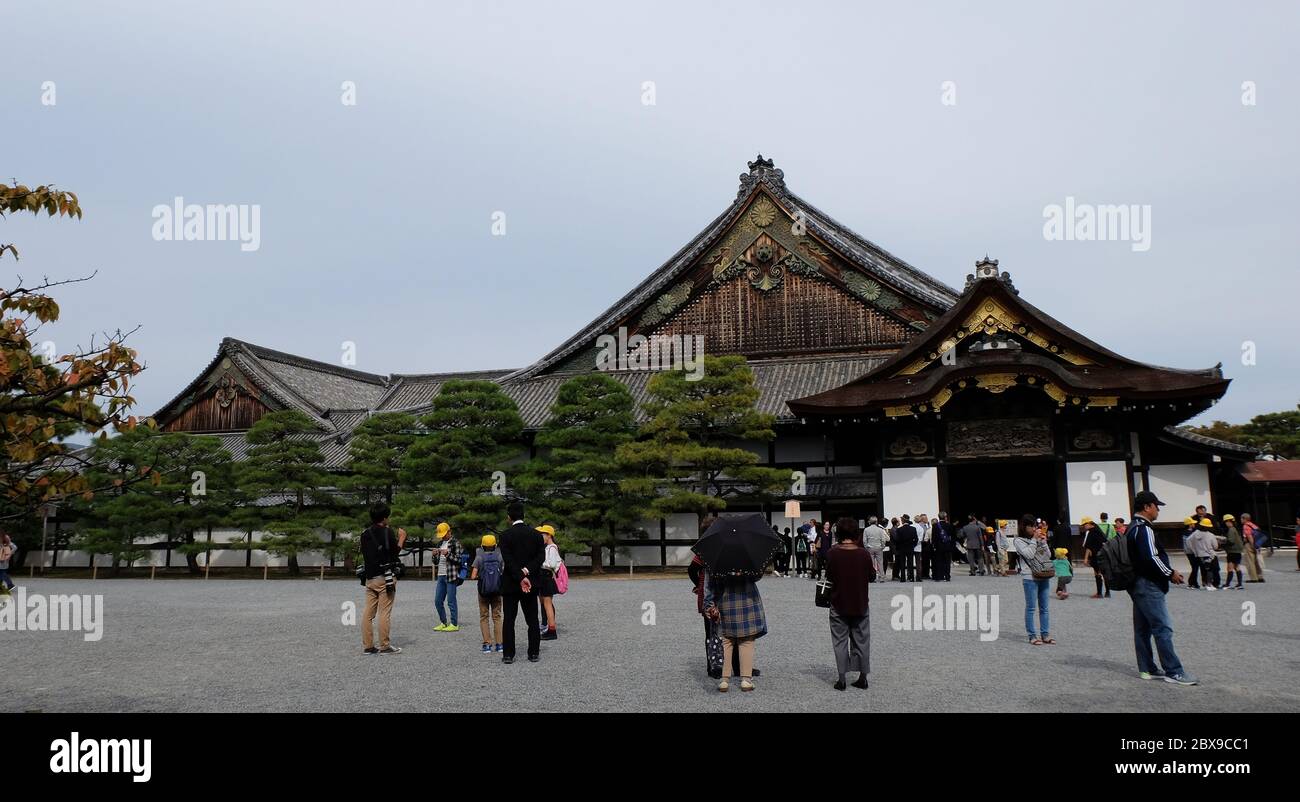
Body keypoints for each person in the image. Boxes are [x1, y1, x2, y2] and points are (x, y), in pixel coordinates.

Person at [1127, 491, 1196, 684]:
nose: (1158, 510)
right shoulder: (1144, 529)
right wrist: (1169, 572)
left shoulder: (1131, 527)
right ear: (1147, 507)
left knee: (1142, 629)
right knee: (1162, 627)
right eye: (1156, 506)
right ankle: (1173, 671)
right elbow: (1151, 557)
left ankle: (1147, 667)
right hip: (1149, 584)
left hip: (1136, 583)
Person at [703, 560, 767, 693]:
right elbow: (756, 577)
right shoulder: (746, 555)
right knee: (746, 641)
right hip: (748, 600)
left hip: (725, 602)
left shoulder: (716, 557)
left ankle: (724, 680)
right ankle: (745, 680)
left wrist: (708, 605)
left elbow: (709, 585)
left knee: (726, 641)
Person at [825, 517, 875, 690]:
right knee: (862, 641)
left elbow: (829, 577)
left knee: (839, 641)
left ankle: (841, 679)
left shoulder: (832, 553)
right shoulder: (863, 553)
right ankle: (863, 677)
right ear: (856, 532)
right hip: (860, 603)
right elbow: (872, 576)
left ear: (838, 533)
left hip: (839, 603)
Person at [498, 501, 545, 664]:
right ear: (524, 516)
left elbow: (508, 560)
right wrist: (526, 572)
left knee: (509, 619)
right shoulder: (536, 535)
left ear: (509, 517)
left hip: (511, 582)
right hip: (530, 582)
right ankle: (533, 652)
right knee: (532, 619)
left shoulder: (505, 536)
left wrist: (519, 575)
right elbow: (540, 558)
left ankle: (508, 654)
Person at [359, 502, 407, 655]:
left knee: (368, 613)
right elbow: (394, 554)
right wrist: (401, 538)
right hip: (385, 578)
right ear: (384, 518)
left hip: (370, 577)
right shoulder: (387, 532)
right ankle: (385, 646)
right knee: (384, 612)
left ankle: (368, 646)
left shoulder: (365, 534)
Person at [1013, 513, 1054, 645]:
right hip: (1029, 577)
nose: (1033, 529)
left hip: (1043, 574)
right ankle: (1032, 635)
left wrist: (1043, 541)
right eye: (1031, 527)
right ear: (1024, 527)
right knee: (1031, 608)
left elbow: (1048, 555)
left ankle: (1045, 634)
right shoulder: (1018, 540)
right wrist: (1034, 540)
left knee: (1045, 608)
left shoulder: (1037, 538)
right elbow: (1029, 555)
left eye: (1034, 526)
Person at [470, 534, 505, 653]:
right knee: (497, 617)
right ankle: (499, 644)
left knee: (484, 617)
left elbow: (473, 575)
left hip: (483, 592)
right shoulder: (499, 556)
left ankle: (487, 644)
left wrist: (482, 576)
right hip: (497, 591)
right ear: (495, 545)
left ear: (482, 545)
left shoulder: (479, 558)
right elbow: (503, 571)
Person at [432, 522, 462, 632]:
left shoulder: (455, 543)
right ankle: (443, 622)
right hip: (440, 575)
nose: (443, 536)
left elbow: (459, 560)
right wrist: (435, 555)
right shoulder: (440, 543)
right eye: (441, 535)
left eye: (444, 534)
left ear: (449, 532)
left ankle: (454, 624)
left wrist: (447, 554)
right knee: (437, 601)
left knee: (451, 600)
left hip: (451, 575)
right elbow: (436, 562)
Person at [537, 524, 562, 640]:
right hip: (545, 577)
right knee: (546, 603)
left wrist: (541, 563)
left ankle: (552, 629)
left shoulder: (552, 548)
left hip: (546, 576)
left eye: (543, 534)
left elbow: (552, 564)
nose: (541, 536)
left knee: (547, 604)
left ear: (549, 535)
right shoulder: (548, 547)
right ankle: (549, 626)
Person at [1080, 517, 1110, 598]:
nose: (1084, 526)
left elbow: (1088, 547)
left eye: (1084, 524)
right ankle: (1107, 593)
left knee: (1097, 574)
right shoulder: (1099, 531)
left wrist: (1086, 558)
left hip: (1096, 556)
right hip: (1104, 556)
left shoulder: (1091, 533)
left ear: (1090, 523)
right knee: (1104, 574)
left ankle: (1099, 593)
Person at [1189, 518, 1221, 591]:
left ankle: (1205, 583)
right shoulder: (1210, 535)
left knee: (1204, 569)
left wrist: (1194, 550)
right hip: (1210, 555)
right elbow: (1215, 546)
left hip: (1200, 554)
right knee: (1213, 569)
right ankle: (1211, 584)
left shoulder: (1195, 534)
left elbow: (1188, 541)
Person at [1221, 514, 1245, 590]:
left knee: (1230, 568)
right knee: (1237, 567)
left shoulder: (1231, 529)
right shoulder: (1235, 529)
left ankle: (1227, 584)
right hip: (1237, 551)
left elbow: (1230, 541)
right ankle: (1239, 584)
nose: (1225, 523)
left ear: (1228, 521)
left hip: (1232, 551)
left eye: (1225, 522)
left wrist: (1222, 543)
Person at [893, 515, 918, 581]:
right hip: (910, 548)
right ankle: (911, 577)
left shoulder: (899, 529)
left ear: (903, 521)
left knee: (902, 564)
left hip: (902, 548)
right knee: (910, 563)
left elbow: (897, 540)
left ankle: (903, 578)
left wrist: (898, 547)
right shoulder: (913, 529)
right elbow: (916, 539)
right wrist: (913, 545)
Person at [1241, 513, 1265, 583]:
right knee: (1257, 562)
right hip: (1258, 544)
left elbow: (1249, 537)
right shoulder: (1253, 525)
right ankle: (1260, 576)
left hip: (1249, 545)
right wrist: (1257, 546)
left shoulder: (1245, 526)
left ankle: (1253, 578)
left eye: (1241, 518)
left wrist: (1253, 545)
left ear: (1244, 519)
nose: (1241, 520)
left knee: (1250, 562)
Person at [931, 512, 954, 582]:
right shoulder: (949, 525)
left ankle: (939, 576)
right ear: (945, 517)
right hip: (947, 546)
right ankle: (947, 576)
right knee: (947, 562)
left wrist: (934, 546)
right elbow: (952, 536)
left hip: (938, 547)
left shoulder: (935, 526)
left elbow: (934, 538)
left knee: (939, 562)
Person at [1181, 516, 1201, 589]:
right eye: (1192, 523)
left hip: (1189, 552)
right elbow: (1191, 544)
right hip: (1191, 552)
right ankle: (1192, 583)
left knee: (1195, 567)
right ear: (1189, 524)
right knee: (1195, 567)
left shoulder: (1187, 532)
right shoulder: (1188, 533)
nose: (1194, 524)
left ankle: (1193, 582)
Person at [917, 513, 933, 580]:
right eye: (926, 518)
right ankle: (924, 574)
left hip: (928, 544)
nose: (927, 519)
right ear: (922, 519)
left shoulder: (927, 525)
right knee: (924, 560)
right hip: (924, 544)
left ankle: (926, 573)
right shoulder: (921, 526)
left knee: (927, 560)